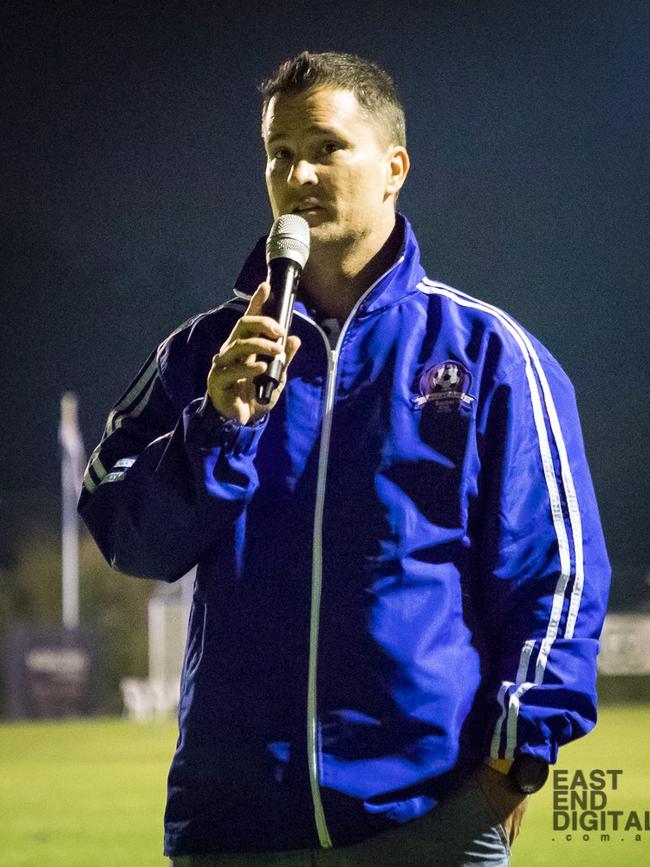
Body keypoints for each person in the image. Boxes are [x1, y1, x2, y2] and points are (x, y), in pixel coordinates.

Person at [79, 51, 611, 866]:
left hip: (428, 818)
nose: (298, 173)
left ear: (394, 167)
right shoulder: (201, 355)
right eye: (279, 152)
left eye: (326, 147)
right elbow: (131, 538)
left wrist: (512, 767)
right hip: (233, 825)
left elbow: (557, 577)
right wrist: (216, 423)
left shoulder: (491, 355)